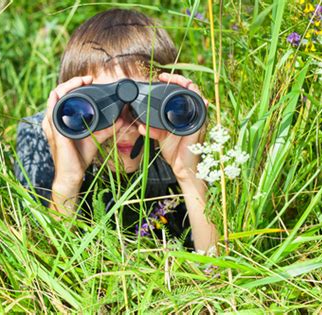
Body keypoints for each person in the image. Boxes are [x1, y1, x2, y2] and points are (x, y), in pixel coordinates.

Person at [15, 8, 218, 254]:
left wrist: (189, 173)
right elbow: (40, 276)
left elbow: (217, 272)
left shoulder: (184, 140)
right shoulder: (40, 141)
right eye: (99, 108)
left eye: (142, 106)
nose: (125, 127)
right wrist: (67, 180)